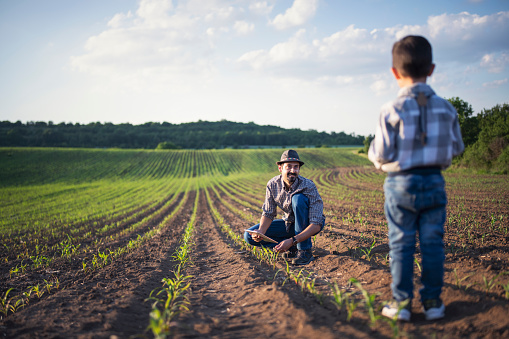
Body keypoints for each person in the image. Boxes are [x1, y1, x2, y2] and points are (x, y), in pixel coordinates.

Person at [368, 35, 465, 322]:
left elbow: (381, 153)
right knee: (434, 243)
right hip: (435, 180)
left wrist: (381, 164)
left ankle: (402, 305)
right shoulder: (447, 108)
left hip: (401, 183)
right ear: (431, 69)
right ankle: (434, 302)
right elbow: (457, 147)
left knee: (401, 244)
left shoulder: (391, 110)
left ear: (394, 72)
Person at [244, 149, 325, 265]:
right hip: (289, 223)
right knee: (249, 236)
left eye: (296, 167)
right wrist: (261, 232)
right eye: (289, 167)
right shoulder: (272, 184)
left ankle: (304, 251)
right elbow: (268, 213)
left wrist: (292, 240)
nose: (293, 170)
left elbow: (316, 224)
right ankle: (292, 249)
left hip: (308, 225)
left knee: (298, 199)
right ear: (280, 168)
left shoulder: (308, 186)